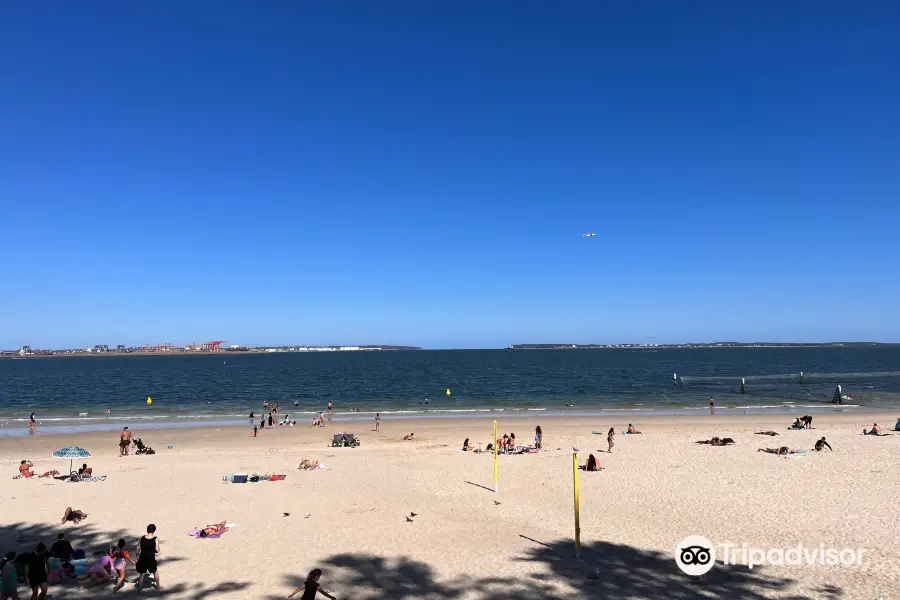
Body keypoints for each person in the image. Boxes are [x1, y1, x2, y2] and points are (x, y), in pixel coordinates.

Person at [135, 524, 160, 594]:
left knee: (142, 574)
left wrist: (137, 557)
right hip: (151, 558)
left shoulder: (142, 538)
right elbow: (157, 550)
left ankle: (139, 590)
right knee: (155, 572)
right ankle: (158, 587)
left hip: (142, 558)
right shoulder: (155, 538)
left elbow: (137, 548)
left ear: (147, 530)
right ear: (154, 531)